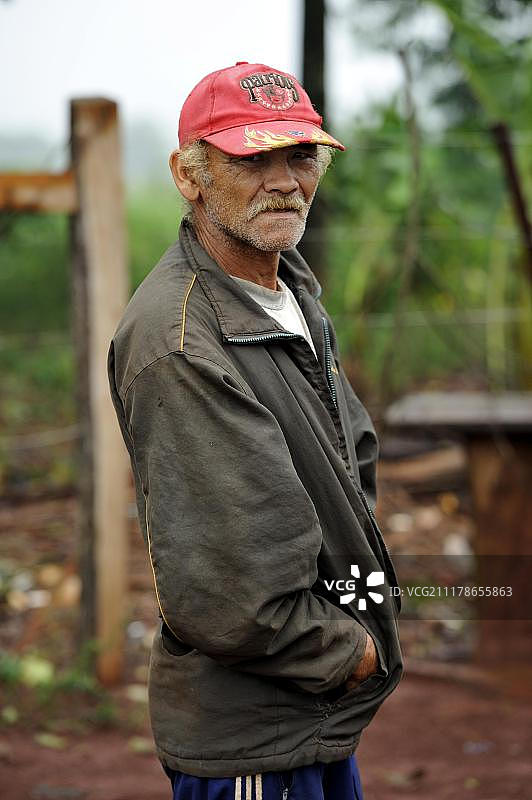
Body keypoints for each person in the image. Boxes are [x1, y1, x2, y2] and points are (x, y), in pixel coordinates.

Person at [107, 62, 403, 800]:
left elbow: (348, 458)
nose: (283, 181)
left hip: (314, 715)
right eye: (250, 157)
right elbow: (231, 596)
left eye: (300, 155)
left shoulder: (287, 285)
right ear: (190, 176)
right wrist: (356, 651)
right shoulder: (178, 341)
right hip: (256, 738)